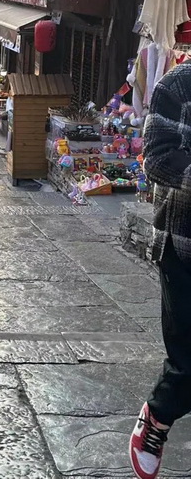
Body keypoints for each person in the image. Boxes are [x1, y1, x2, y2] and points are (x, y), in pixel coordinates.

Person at [129, 61, 191, 479]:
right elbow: (157, 159)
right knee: (188, 359)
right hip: (183, 245)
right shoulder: (178, 85)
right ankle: (158, 414)